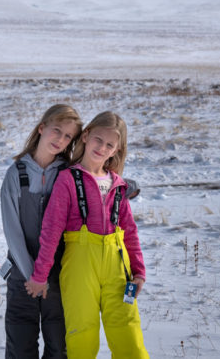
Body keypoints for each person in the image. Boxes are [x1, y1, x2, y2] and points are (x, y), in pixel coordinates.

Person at [25, 111, 149, 359]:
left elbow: (130, 233)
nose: (102, 148)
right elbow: (51, 231)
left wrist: (139, 271)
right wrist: (40, 275)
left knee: (129, 336)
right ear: (86, 136)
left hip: (117, 267)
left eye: (110, 145)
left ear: (116, 150)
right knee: (82, 336)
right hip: (80, 267)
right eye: (98, 140)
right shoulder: (68, 179)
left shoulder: (118, 184)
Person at [1, 103, 83, 359]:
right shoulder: (16, 174)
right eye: (57, 130)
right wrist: (33, 277)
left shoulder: (70, 174)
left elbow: (100, 180)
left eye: (68, 136)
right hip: (22, 277)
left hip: (59, 275)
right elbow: (12, 231)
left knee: (60, 347)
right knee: (20, 346)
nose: (61, 139)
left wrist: (126, 186)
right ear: (41, 128)